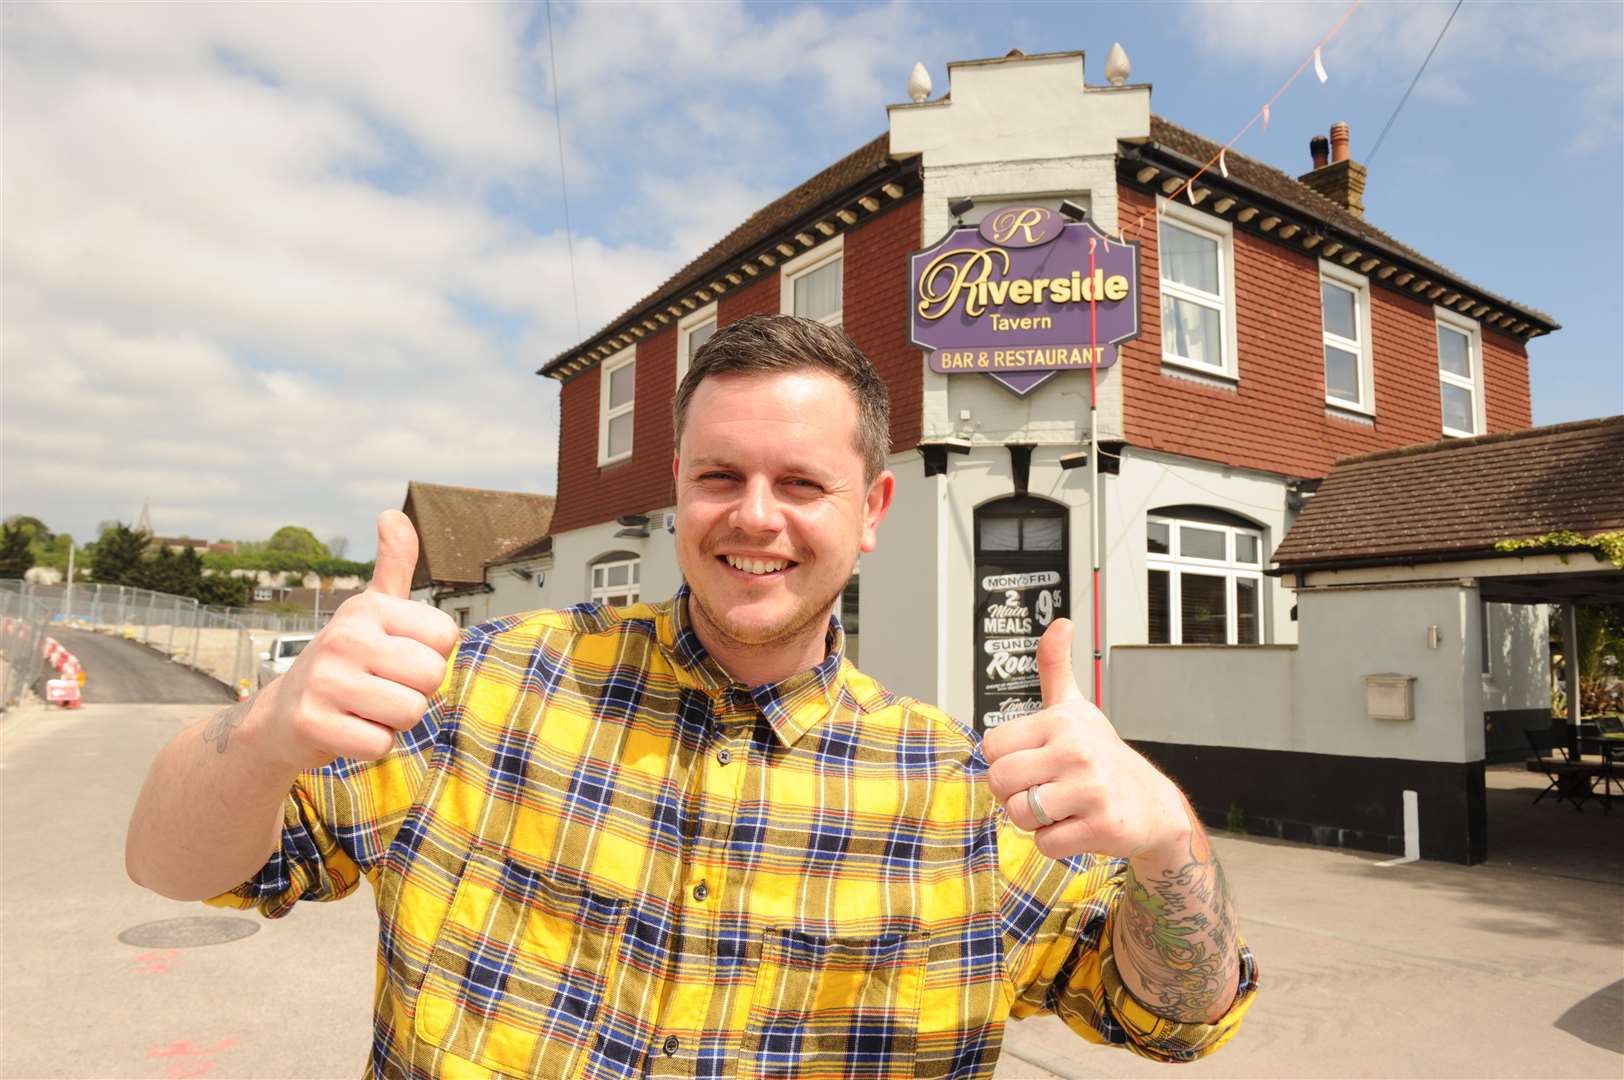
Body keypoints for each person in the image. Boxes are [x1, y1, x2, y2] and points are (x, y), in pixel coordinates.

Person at [127, 314, 1256, 1078]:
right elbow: (173, 866)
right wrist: (268, 732)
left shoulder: (963, 797)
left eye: (801, 484)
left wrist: (1165, 843)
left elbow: (1174, 1018)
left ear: (869, 514)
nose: (754, 516)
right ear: (676, 489)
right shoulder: (482, 691)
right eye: (720, 476)